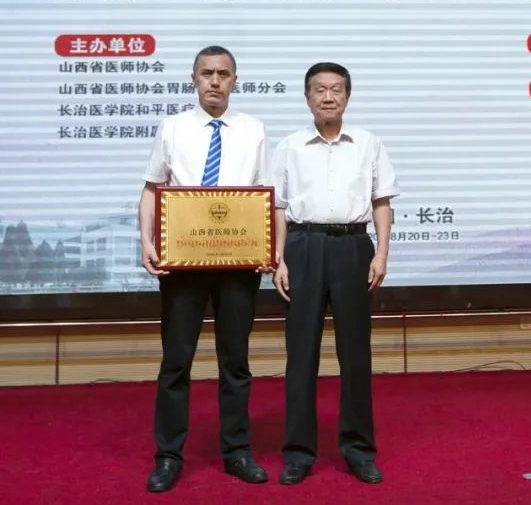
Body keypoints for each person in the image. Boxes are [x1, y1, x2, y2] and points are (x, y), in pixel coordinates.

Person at [139, 45, 271, 493]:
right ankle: (168, 456)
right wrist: (147, 242)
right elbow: (152, 189)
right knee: (176, 362)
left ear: (235, 81)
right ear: (193, 79)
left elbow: (265, 194)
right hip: (184, 261)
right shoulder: (173, 127)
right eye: (207, 73)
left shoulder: (254, 129)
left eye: (224, 74)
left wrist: (270, 249)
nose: (215, 81)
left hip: (238, 261)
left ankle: (237, 452)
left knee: (236, 362)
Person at [270, 62, 400, 486]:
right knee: (300, 354)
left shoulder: (368, 144)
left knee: (355, 354)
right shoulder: (289, 146)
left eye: (336, 89)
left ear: (348, 95)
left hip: (353, 248)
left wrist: (382, 254)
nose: (328, 96)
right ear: (307, 97)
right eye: (319, 89)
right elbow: (278, 207)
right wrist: (279, 259)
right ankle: (298, 453)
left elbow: (381, 202)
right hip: (303, 247)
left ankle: (358, 450)